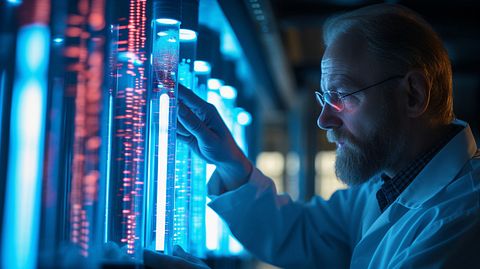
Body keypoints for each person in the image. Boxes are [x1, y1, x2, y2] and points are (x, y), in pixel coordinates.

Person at [144, 3, 480, 269]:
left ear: (413, 95)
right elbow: (300, 233)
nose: (323, 119)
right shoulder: (386, 186)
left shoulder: (463, 218)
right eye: (324, 97)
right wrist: (231, 163)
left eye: (342, 95)